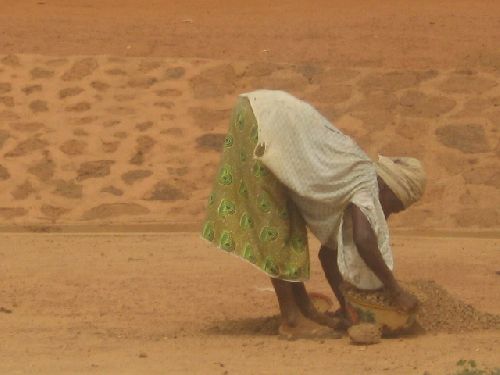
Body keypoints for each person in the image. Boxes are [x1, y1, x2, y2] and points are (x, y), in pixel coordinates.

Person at [201, 90, 426, 339]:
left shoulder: (354, 189)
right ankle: (291, 319)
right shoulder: (365, 184)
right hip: (263, 122)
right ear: (391, 190)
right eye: (394, 206)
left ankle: (304, 309)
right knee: (275, 223)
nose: (388, 214)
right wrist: (394, 289)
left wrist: (350, 309)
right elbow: (364, 241)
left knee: (291, 226)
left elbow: (328, 257)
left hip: (261, 111)